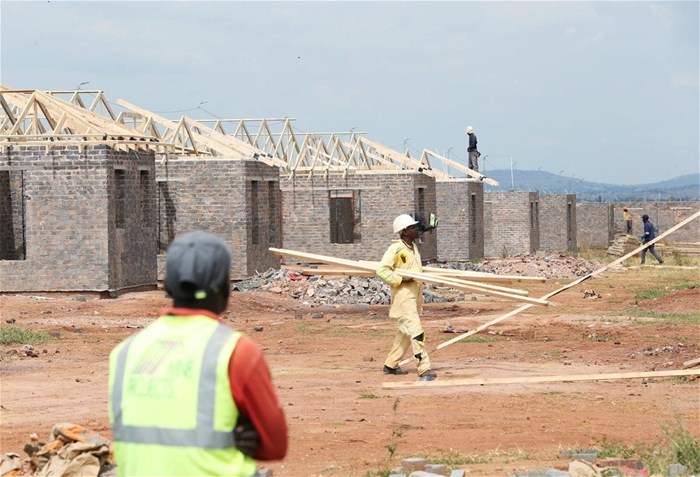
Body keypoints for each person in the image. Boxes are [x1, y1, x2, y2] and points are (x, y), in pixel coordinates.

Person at [108, 231, 287, 477]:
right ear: (225, 287)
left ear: (168, 286)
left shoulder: (124, 353)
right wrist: (237, 431)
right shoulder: (235, 352)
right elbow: (275, 446)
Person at [376, 214, 437, 382]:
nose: (417, 230)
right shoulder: (396, 249)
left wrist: (428, 228)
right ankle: (424, 367)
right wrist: (402, 279)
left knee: (404, 334)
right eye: (413, 228)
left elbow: (419, 232)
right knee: (416, 332)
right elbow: (382, 270)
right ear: (404, 232)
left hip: (415, 296)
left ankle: (391, 364)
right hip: (404, 298)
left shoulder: (412, 246)